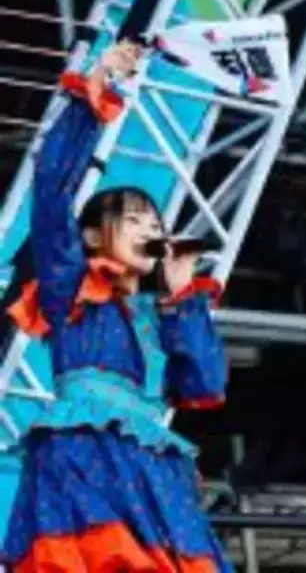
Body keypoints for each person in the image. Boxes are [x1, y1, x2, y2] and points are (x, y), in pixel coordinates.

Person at [1, 40, 232, 572]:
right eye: (133, 220)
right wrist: (96, 85)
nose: (149, 229)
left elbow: (204, 383)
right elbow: (52, 190)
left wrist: (182, 294)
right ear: (92, 237)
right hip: (88, 459)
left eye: (154, 222)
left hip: (153, 474)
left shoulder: (159, 315)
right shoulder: (72, 288)